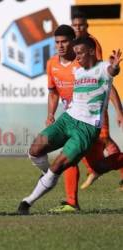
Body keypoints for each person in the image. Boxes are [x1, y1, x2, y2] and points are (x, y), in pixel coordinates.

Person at [17, 36, 122, 215]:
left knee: (59, 166)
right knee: (35, 149)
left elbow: (113, 71)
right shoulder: (79, 72)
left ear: (90, 51)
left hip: (86, 129)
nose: (77, 57)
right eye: (75, 54)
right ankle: (47, 175)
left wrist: (115, 66)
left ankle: (26, 203)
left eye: (80, 53)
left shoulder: (103, 67)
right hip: (67, 119)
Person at [45, 25, 123, 213]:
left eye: (65, 42)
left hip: (89, 119)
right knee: (99, 165)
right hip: (72, 118)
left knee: (69, 157)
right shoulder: (52, 64)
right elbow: (53, 92)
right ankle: (73, 200)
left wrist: (119, 110)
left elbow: (108, 83)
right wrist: (50, 114)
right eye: (57, 42)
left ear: (73, 44)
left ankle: (72, 202)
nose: (61, 46)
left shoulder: (83, 63)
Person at [71, 11, 123, 189]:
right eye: (75, 26)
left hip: (95, 102)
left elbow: (104, 77)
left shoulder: (92, 45)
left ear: (87, 26)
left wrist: (118, 110)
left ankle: (100, 170)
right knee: (84, 140)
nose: (78, 28)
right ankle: (94, 168)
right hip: (79, 103)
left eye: (81, 25)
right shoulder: (73, 44)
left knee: (103, 138)